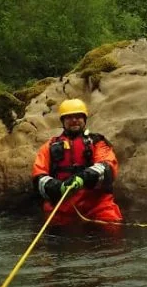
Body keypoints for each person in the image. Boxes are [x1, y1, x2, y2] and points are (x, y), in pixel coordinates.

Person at [32, 98, 123, 230]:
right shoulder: (49, 147)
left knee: (113, 236)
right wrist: (58, 187)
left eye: (78, 116)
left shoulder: (98, 142)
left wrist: (83, 177)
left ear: (84, 119)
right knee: (54, 242)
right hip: (61, 209)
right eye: (69, 117)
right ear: (63, 121)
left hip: (98, 206)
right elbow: (38, 177)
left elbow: (108, 166)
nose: (74, 120)